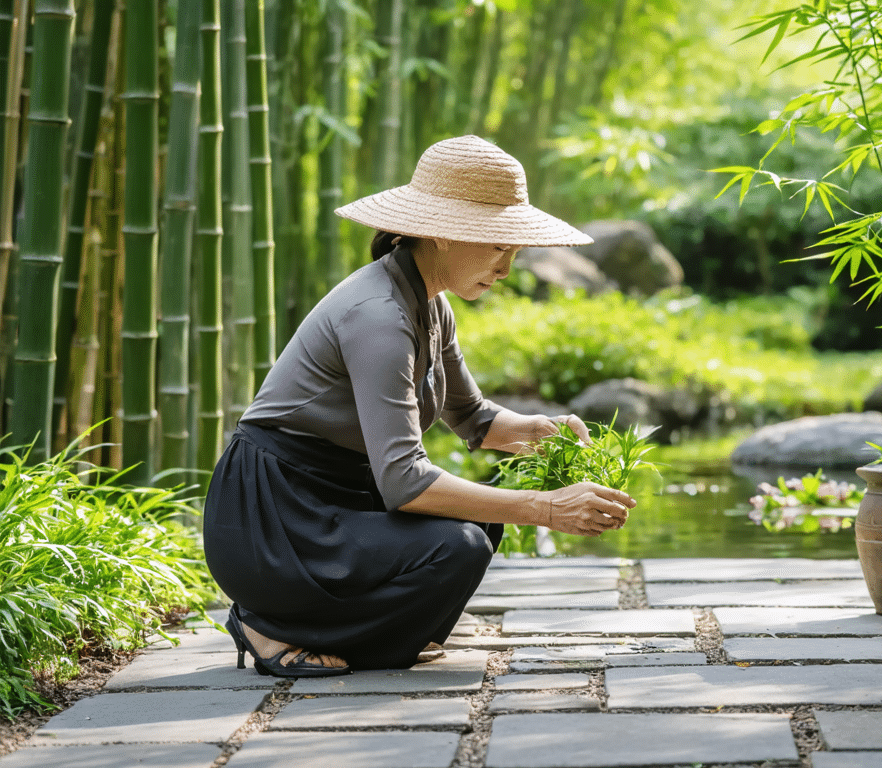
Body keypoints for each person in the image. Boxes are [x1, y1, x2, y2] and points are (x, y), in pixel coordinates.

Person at [203, 135, 637, 678]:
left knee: (482, 526)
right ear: (440, 232)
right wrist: (547, 507)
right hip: (275, 518)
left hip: (335, 499)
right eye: (497, 244)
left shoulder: (431, 304)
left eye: (514, 248)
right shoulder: (378, 316)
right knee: (458, 545)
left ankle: (370, 632)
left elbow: (475, 420)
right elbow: (406, 484)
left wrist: (542, 432)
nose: (507, 267)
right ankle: (272, 627)